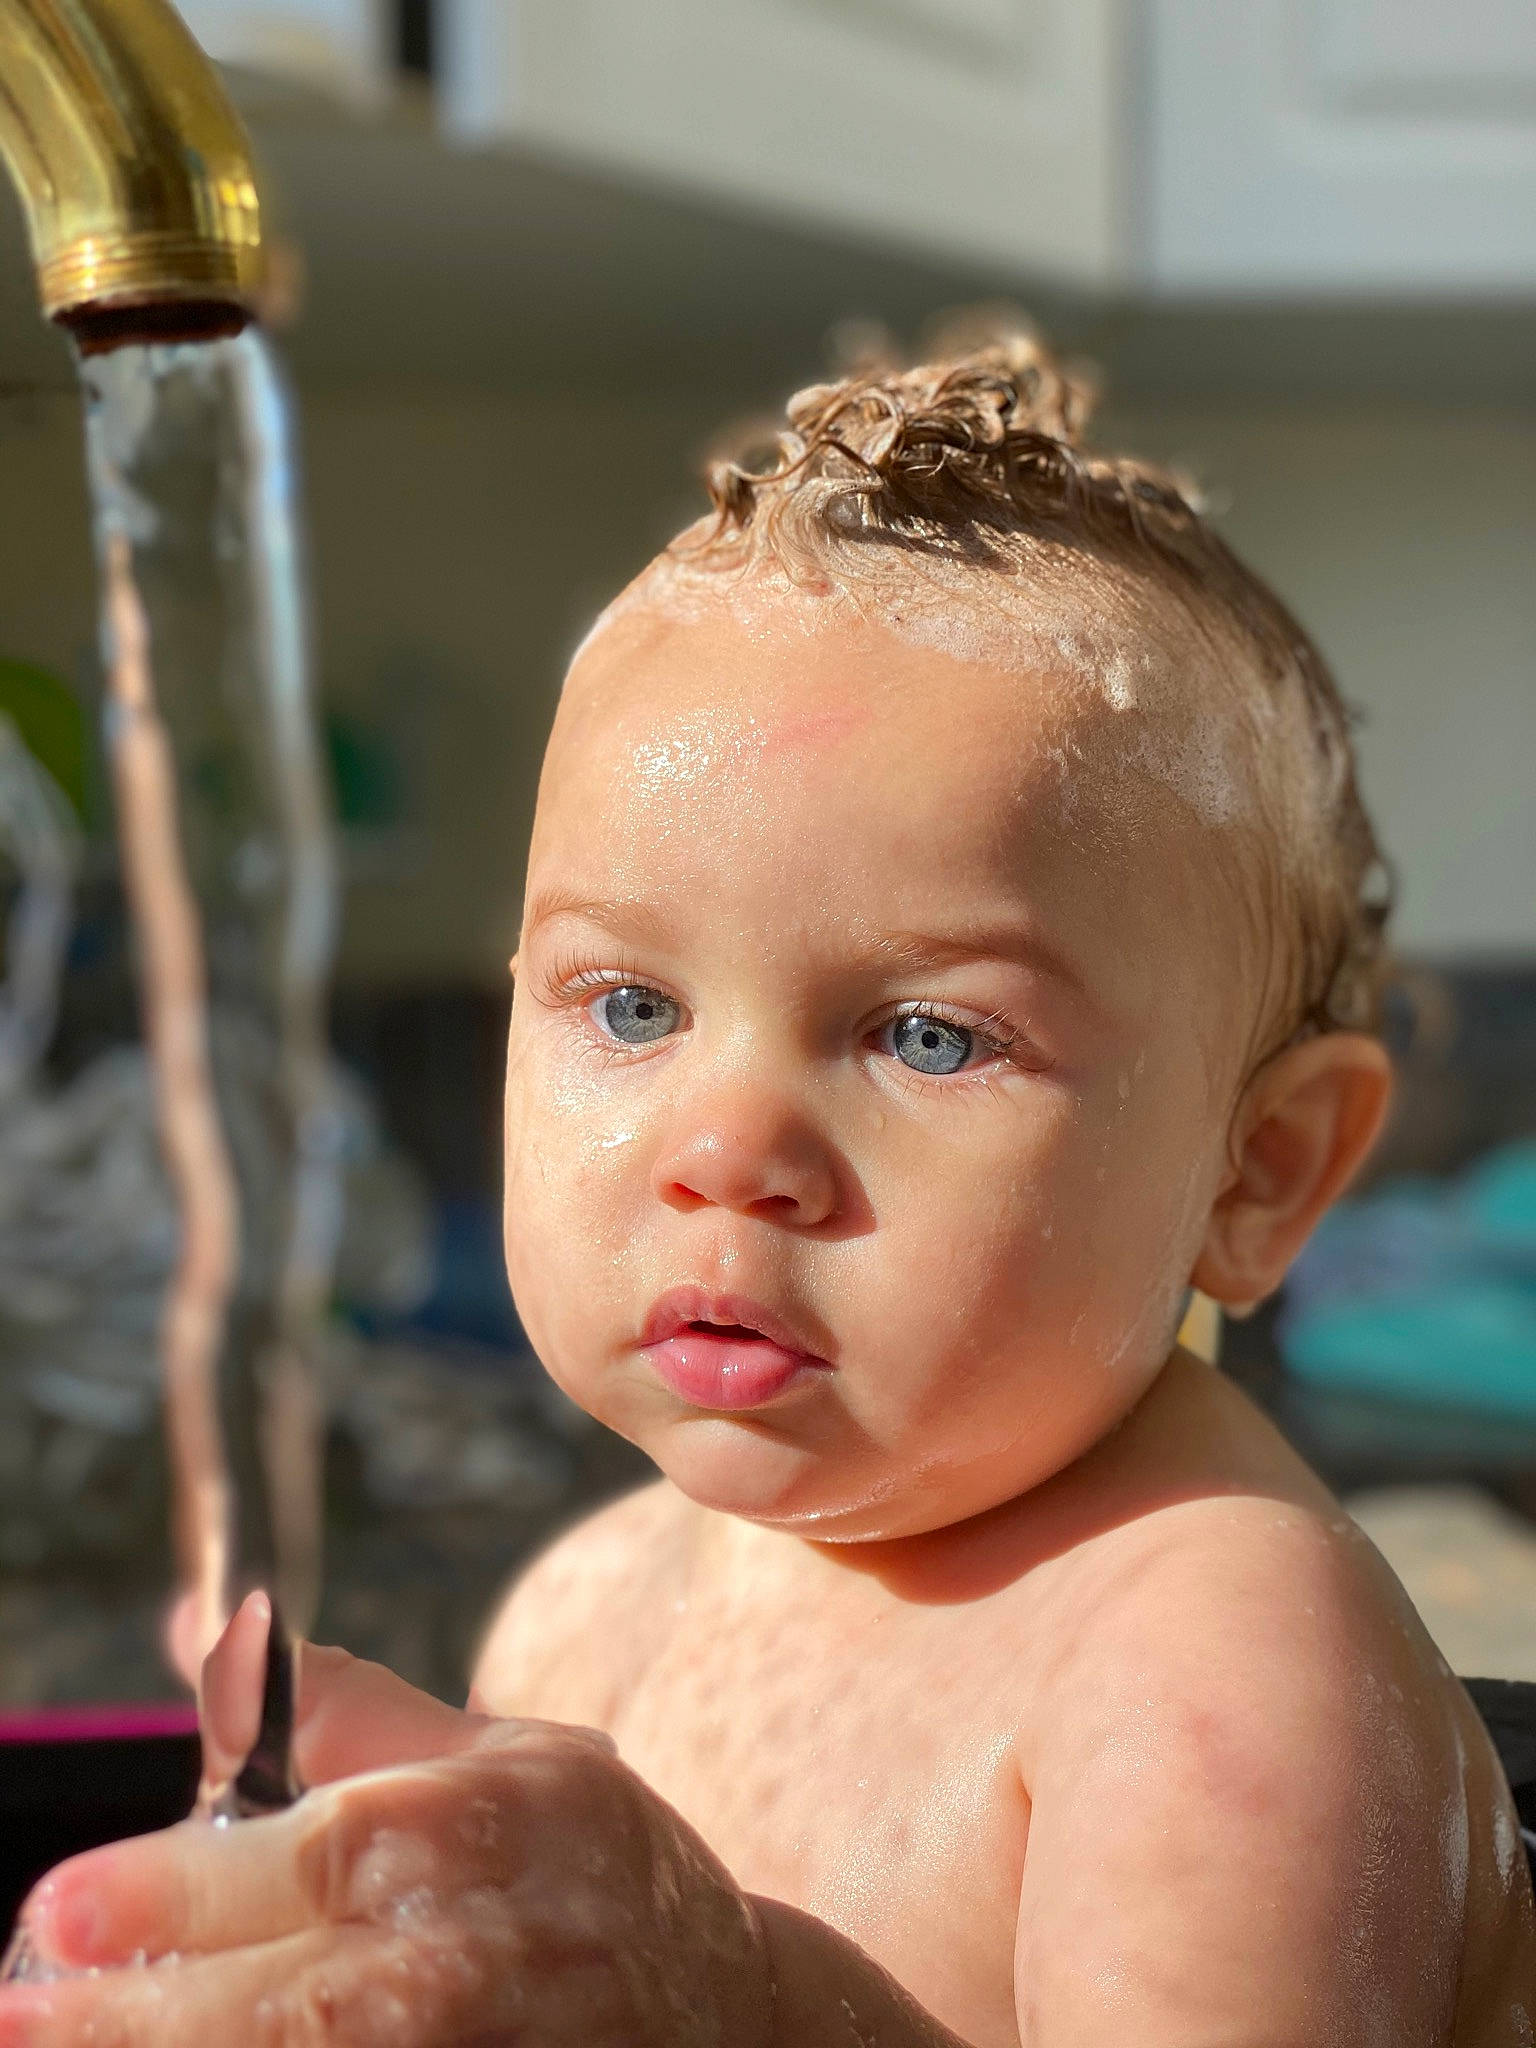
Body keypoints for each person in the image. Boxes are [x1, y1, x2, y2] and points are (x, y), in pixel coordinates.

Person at [3, 330, 1533, 2046]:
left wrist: (746, 1999)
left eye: (934, 1038)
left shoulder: (1215, 1668)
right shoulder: (591, 1607)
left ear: (1258, 1172)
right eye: (633, 1007)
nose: (726, 1153)